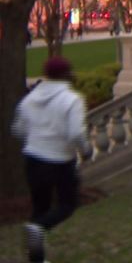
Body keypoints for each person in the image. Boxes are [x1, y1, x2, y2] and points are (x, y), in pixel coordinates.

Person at [13, 57, 92, 263]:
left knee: (40, 207)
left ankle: (36, 258)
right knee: (67, 204)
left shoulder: (30, 99)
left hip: (33, 159)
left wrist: (36, 139)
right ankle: (39, 227)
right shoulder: (71, 99)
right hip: (60, 161)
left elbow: (18, 130)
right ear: (66, 75)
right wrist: (85, 150)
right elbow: (76, 133)